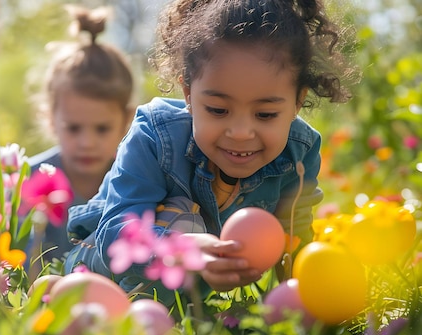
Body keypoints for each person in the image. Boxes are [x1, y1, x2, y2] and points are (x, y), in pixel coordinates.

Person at [63, 0, 354, 306]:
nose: (240, 132)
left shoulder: (300, 152)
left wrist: (311, 294)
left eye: (266, 114)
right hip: (102, 262)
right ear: (188, 94)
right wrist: (183, 251)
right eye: (218, 110)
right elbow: (117, 235)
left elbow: (294, 243)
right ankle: (68, 291)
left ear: (296, 103)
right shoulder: (155, 135)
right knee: (184, 220)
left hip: (192, 291)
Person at [27, 5, 135, 267]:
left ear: (127, 120)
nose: (87, 143)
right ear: (50, 119)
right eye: (74, 128)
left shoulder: (135, 181)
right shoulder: (27, 180)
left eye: (102, 129)